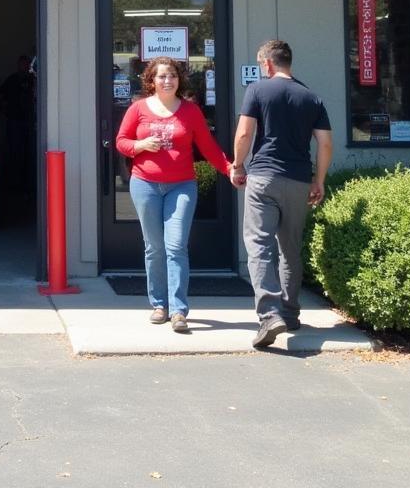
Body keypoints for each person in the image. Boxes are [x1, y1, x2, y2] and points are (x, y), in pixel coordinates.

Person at [115, 56, 235, 333]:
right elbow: (121, 142)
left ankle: (179, 309)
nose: (167, 80)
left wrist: (229, 169)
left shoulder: (190, 111)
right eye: (161, 76)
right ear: (151, 80)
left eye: (172, 76)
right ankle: (159, 304)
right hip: (145, 184)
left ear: (179, 80)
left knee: (176, 245)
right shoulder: (138, 109)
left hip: (182, 185)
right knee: (154, 247)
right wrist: (141, 144)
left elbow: (208, 147)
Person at [232, 39, 333, 349]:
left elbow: (246, 132)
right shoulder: (311, 97)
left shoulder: (258, 91)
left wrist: (237, 165)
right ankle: (289, 313)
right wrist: (319, 180)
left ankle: (269, 314)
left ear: (268, 64)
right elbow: (326, 144)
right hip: (299, 179)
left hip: (263, 177)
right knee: (290, 248)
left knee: (259, 245)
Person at [0, 54, 36, 190]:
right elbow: (1, 96)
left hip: (30, 122)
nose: (24, 66)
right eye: (22, 63)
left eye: (26, 64)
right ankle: (15, 185)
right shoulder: (12, 80)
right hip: (14, 121)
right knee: (15, 153)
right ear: (18, 65)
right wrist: (6, 110)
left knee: (30, 154)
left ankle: (29, 185)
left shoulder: (33, 79)